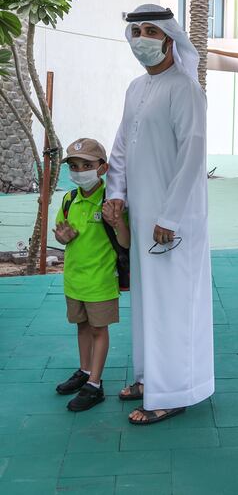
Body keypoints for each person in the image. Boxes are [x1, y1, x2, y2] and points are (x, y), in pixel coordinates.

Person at [106, 4, 213, 425]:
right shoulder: (135, 88)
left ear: (170, 39)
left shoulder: (185, 88)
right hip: (143, 214)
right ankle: (151, 377)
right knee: (148, 303)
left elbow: (192, 156)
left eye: (151, 30)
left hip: (174, 221)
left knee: (172, 304)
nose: (142, 39)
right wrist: (115, 192)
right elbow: (120, 147)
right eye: (136, 31)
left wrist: (169, 217)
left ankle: (173, 392)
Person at [53, 139, 130, 412]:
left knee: (99, 329)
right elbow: (64, 234)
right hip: (74, 279)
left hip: (100, 281)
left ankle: (95, 385)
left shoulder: (113, 201)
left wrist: (117, 221)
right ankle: (85, 371)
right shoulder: (69, 199)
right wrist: (65, 238)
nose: (79, 171)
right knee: (82, 326)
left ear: (103, 168)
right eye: (74, 166)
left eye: (87, 165)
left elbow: (126, 242)